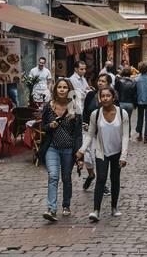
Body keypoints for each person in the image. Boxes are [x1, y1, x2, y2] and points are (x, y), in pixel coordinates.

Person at [79, 85, 129, 222]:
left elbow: (125, 136)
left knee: (115, 179)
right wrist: (82, 150)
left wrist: (123, 156)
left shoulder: (122, 113)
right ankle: (96, 210)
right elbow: (89, 135)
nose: (105, 98)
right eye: (103, 96)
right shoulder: (95, 114)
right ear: (99, 98)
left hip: (117, 152)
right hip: (102, 151)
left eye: (108, 96)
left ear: (113, 97)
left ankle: (114, 207)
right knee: (101, 178)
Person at [39, 78, 80, 221]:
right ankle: (51, 209)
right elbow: (42, 127)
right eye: (59, 87)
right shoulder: (48, 107)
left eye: (65, 87)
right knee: (53, 176)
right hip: (52, 147)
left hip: (68, 148)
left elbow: (78, 132)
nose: (62, 90)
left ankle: (66, 205)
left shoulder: (74, 107)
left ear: (69, 90)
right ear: (55, 89)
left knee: (66, 178)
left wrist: (78, 153)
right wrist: (49, 126)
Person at [116, 65, 138, 134]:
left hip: (121, 103)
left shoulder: (119, 81)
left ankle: (120, 133)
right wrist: (135, 104)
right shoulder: (133, 82)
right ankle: (127, 134)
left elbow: (116, 91)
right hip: (129, 104)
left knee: (120, 120)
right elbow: (135, 95)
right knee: (128, 120)